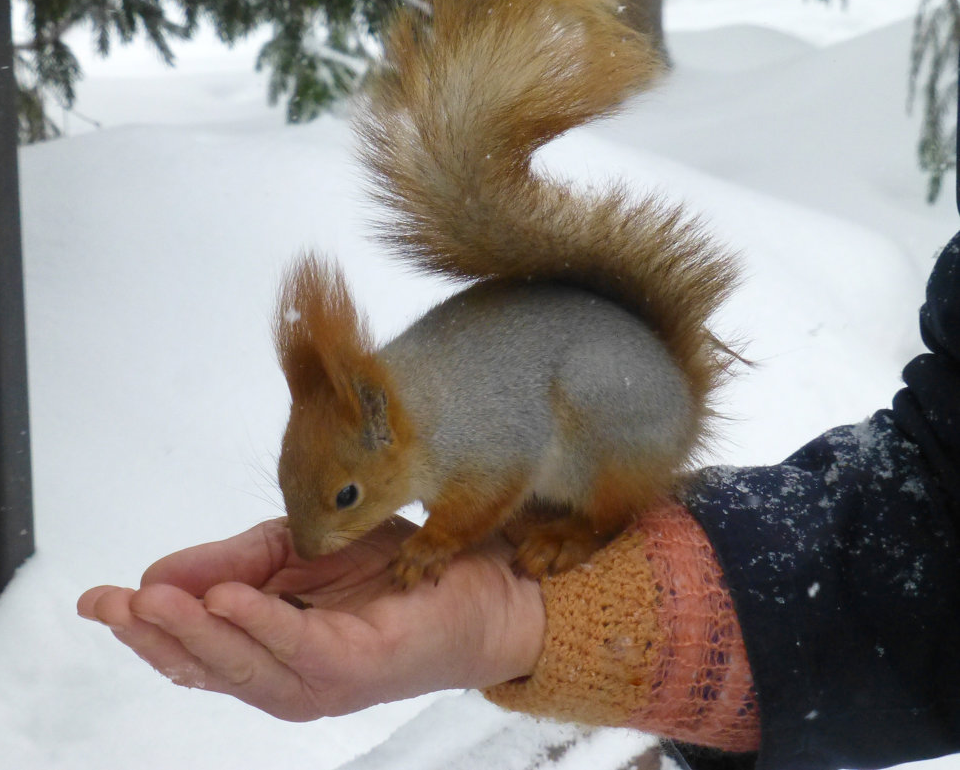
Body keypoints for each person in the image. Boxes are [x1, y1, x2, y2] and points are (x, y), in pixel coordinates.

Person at [78, 231, 959, 770]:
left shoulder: (432, 437)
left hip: (621, 408)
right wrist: (531, 620)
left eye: (344, 500)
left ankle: (587, 526)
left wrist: (446, 545)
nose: (326, 531)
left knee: (566, 434)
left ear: (379, 433)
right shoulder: (391, 424)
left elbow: (492, 475)